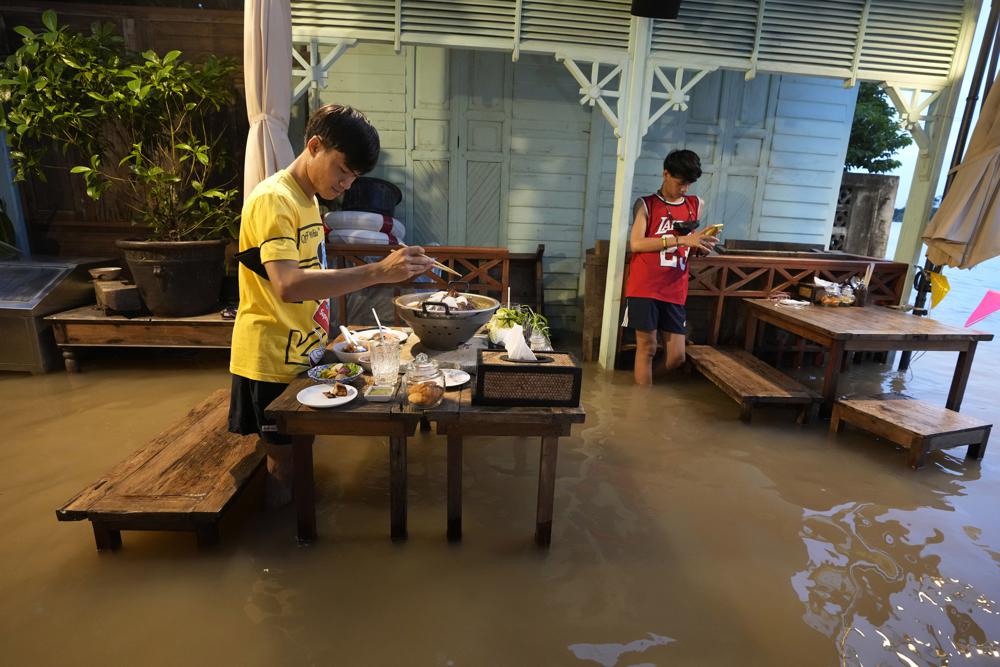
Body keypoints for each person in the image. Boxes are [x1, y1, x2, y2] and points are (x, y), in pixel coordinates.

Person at [228, 104, 435, 505]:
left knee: (299, 456)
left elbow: (313, 277)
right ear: (314, 145)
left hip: (305, 353)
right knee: (282, 467)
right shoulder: (275, 200)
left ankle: (296, 536)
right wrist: (376, 272)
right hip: (270, 359)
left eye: (354, 176)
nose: (346, 183)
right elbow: (288, 285)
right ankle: (276, 557)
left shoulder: (308, 200)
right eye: (343, 170)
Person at [623, 149, 719, 385]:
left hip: (675, 287)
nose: (684, 189)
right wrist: (681, 240)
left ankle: (642, 386)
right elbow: (636, 244)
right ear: (665, 174)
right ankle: (641, 406)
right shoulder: (646, 204)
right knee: (647, 348)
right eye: (680, 182)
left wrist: (698, 245)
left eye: (689, 183)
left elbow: (690, 243)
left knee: (677, 356)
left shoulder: (696, 204)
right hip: (645, 285)